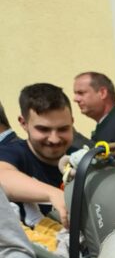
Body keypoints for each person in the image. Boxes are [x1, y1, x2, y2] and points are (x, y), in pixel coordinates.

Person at [0, 83, 72, 226]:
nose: (54, 138)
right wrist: (54, 194)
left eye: (63, 129)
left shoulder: (82, 155)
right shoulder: (13, 153)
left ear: (72, 122)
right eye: (43, 129)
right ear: (23, 123)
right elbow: (3, 176)